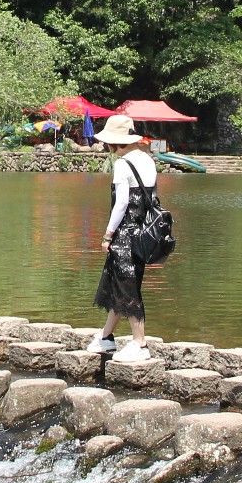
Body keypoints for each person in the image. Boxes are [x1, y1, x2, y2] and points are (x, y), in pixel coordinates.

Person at [91, 113, 158, 362]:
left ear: (115, 142)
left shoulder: (122, 164)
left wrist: (108, 235)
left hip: (125, 235)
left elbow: (121, 204)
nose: (108, 147)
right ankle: (106, 337)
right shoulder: (148, 160)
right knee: (119, 284)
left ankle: (140, 345)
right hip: (143, 235)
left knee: (127, 287)